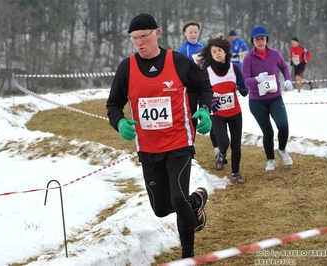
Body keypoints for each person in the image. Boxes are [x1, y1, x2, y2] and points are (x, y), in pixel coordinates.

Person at [106, 13, 213, 259]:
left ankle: (188, 257)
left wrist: (205, 110)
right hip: (148, 147)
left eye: (144, 36)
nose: (139, 42)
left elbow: (204, 87)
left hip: (179, 142)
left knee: (177, 198)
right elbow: (113, 104)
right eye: (134, 38)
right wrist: (119, 122)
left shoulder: (178, 61)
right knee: (161, 208)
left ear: (157, 33)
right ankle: (196, 201)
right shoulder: (127, 68)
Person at [242, 25, 294, 171]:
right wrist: (257, 79)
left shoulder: (275, 54)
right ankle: (270, 159)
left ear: (266, 39)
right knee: (268, 132)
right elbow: (246, 80)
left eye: (262, 38)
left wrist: (288, 79)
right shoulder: (248, 58)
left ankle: (282, 150)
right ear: (252, 41)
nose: (260, 41)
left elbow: (284, 67)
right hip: (257, 101)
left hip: (275, 97)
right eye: (257, 39)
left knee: (283, 125)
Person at [197, 36, 248, 184]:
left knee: (236, 145)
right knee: (224, 143)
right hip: (217, 114)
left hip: (235, 113)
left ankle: (236, 173)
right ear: (210, 55)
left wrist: (243, 88)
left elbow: (244, 92)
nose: (218, 53)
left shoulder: (234, 68)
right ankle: (221, 155)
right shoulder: (207, 72)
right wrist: (210, 101)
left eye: (220, 50)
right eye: (214, 52)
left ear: (225, 51)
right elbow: (202, 94)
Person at [177, 20, 221, 165]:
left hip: (204, 87)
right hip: (190, 89)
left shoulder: (203, 46)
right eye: (190, 32)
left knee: (210, 116)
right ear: (185, 34)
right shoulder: (182, 50)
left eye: (195, 31)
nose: (193, 34)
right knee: (192, 119)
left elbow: (212, 61)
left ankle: (217, 150)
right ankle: (190, 151)